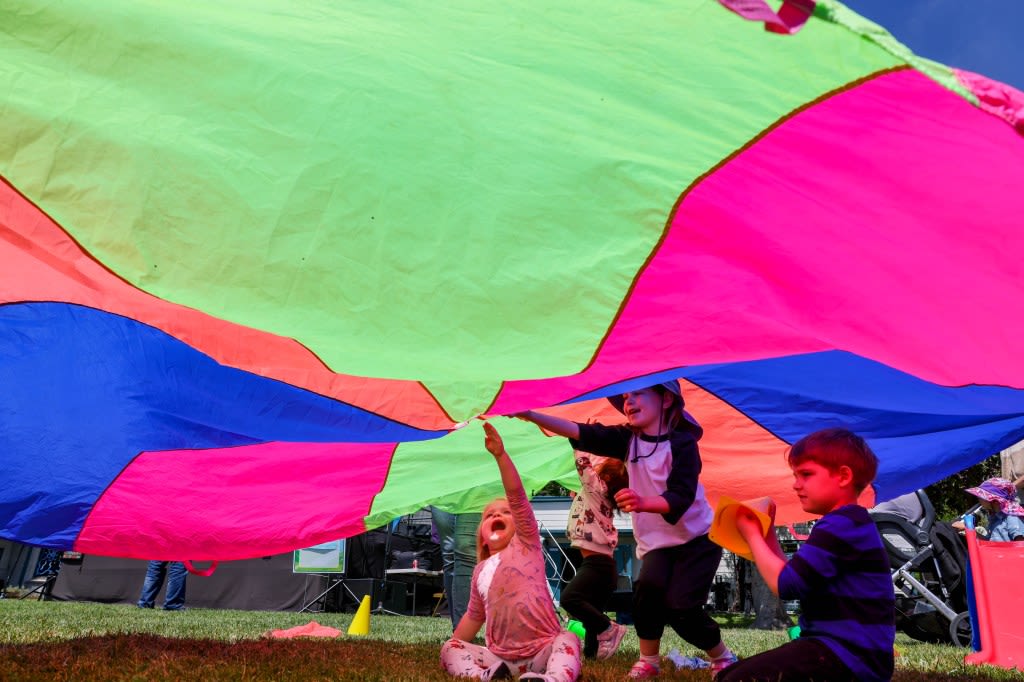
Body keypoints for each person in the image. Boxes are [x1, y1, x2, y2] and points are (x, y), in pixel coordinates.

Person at [518, 380, 737, 679]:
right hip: (658, 543)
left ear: (667, 400)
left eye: (638, 393)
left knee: (681, 607)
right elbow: (582, 431)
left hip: (697, 539)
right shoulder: (627, 441)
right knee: (646, 590)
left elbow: (681, 496)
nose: (628, 401)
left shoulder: (683, 445)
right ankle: (649, 660)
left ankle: (722, 657)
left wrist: (643, 500)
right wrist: (531, 415)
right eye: (625, 396)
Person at [723, 428, 895, 682]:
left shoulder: (840, 526)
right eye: (795, 475)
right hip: (845, 653)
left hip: (848, 658)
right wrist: (768, 533)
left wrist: (752, 536)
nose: (796, 484)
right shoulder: (847, 523)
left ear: (843, 476)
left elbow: (785, 585)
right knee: (731, 674)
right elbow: (795, 577)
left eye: (806, 474)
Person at [439, 422, 582, 682]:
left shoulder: (527, 545)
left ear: (519, 526)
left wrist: (501, 456)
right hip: (500, 659)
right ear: (481, 536)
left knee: (568, 639)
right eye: (489, 515)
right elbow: (473, 617)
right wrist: (456, 644)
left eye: (505, 513)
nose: (497, 515)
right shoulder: (480, 572)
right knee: (450, 649)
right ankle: (484, 676)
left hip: (543, 650)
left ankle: (553, 679)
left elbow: (516, 496)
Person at [559, 450, 629, 659]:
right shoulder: (599, 494)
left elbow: (583, 464)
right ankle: (592, 655)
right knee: (592, 614)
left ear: (605, 477)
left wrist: (579, 443)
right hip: (604, 566)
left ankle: (608, 628)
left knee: (569, 599)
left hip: (597, 565)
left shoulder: (596, 488)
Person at [431, 506, 482, 629]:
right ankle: (458, 628)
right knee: (449, 553)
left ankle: (463, 631)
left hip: (473, 490)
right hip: (442, 489)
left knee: (465, 549)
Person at [963, 477, 1024, 542]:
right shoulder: (994, 517)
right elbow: (989, 541)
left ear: (995, 501)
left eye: (982, 497)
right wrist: (968, 530)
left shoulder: (1012, 517)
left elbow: (1020, 544)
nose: (978, 498)